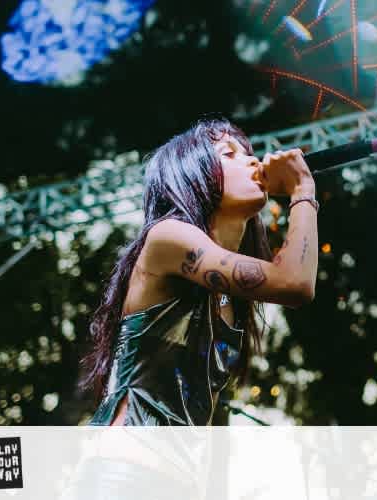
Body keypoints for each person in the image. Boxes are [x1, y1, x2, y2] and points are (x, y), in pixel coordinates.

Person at [78, 117, 319, 427]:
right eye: (229, 154)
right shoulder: (169, 236)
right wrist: (302, 190)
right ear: (192, 173)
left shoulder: (229, 301)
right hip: (125, 463)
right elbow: (295, 283)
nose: (252, 161)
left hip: (177, 471)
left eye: (248, 153)